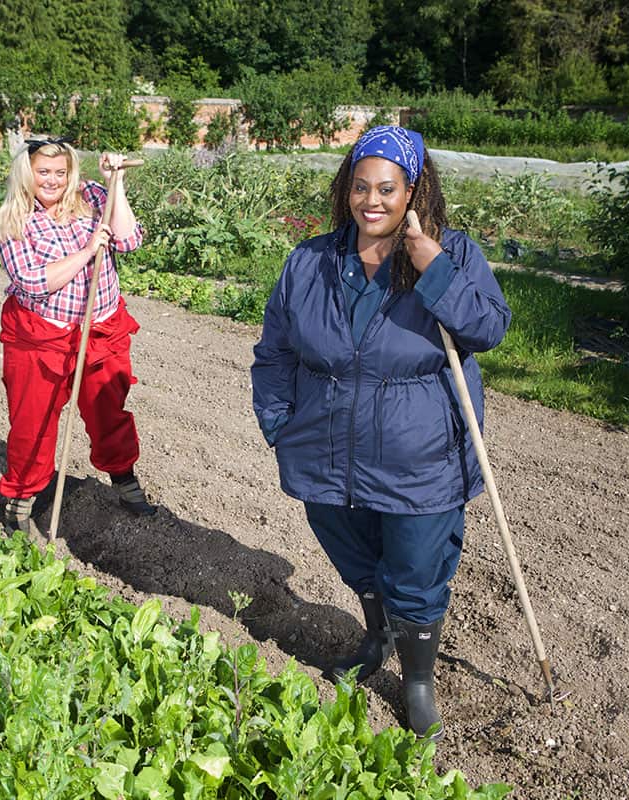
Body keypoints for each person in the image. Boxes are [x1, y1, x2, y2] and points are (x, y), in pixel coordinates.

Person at [251, 125, 511, 739]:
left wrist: (432, 268)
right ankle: (378, 638)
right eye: (361, 187)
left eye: (387, 188)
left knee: (417, 566)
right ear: (347, 189)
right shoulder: (309, 261)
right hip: (324, 450)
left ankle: (417, 679)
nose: (372, 201)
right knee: (356, 555)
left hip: (417, 456)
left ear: (413, 192)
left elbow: (489, 328)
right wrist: (279, 425)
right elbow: (275, 353)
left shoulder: (453, 254)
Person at [0, 136, 157, 536]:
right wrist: (86, 252)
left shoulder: (92, 197)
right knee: (32, 420)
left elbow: (129, 240)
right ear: (26, 174)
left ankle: (123, 478)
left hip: (101, 329)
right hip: (39, 337)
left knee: (109, 412)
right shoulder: (14, 220)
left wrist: (114, 182)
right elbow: (33, 282)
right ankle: (22, 497)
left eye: (60, 172)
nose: (52, 180)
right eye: (43, 172)